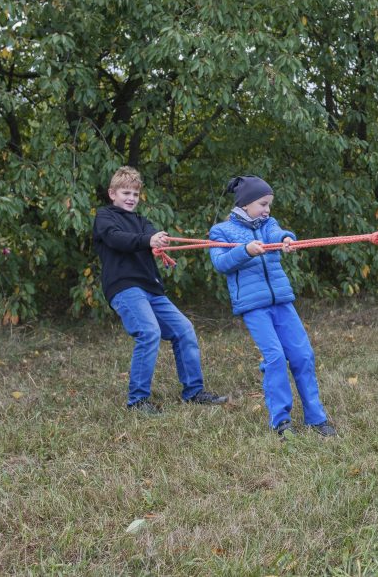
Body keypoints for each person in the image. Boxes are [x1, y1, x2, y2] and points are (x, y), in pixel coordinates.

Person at [208, 175, 337, 438]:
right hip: (254, 306)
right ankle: (281, 421)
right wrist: (246, 250)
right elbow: (220, 263)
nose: (267, 209)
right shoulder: (221, 231)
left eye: (269, 204)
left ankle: (316, 418)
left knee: (303, 355)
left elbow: (277, 234)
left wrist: (286, 239)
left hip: (282, 301)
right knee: (276, 358)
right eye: (263, 204)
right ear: (245, 204)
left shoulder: (268, 224)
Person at [93, 166, 228, 414]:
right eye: (125, 193)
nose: (131, 198)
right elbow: (116, 238)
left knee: (184, 329)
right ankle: (138, 401)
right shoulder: (105, 217)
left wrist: (157, 240)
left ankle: (194, 391)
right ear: (112, 194)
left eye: (135, 194)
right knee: (148, 331)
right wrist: (148, 240)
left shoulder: (143, 222)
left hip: (151, 289)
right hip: (125, 286)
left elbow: (150, 235)